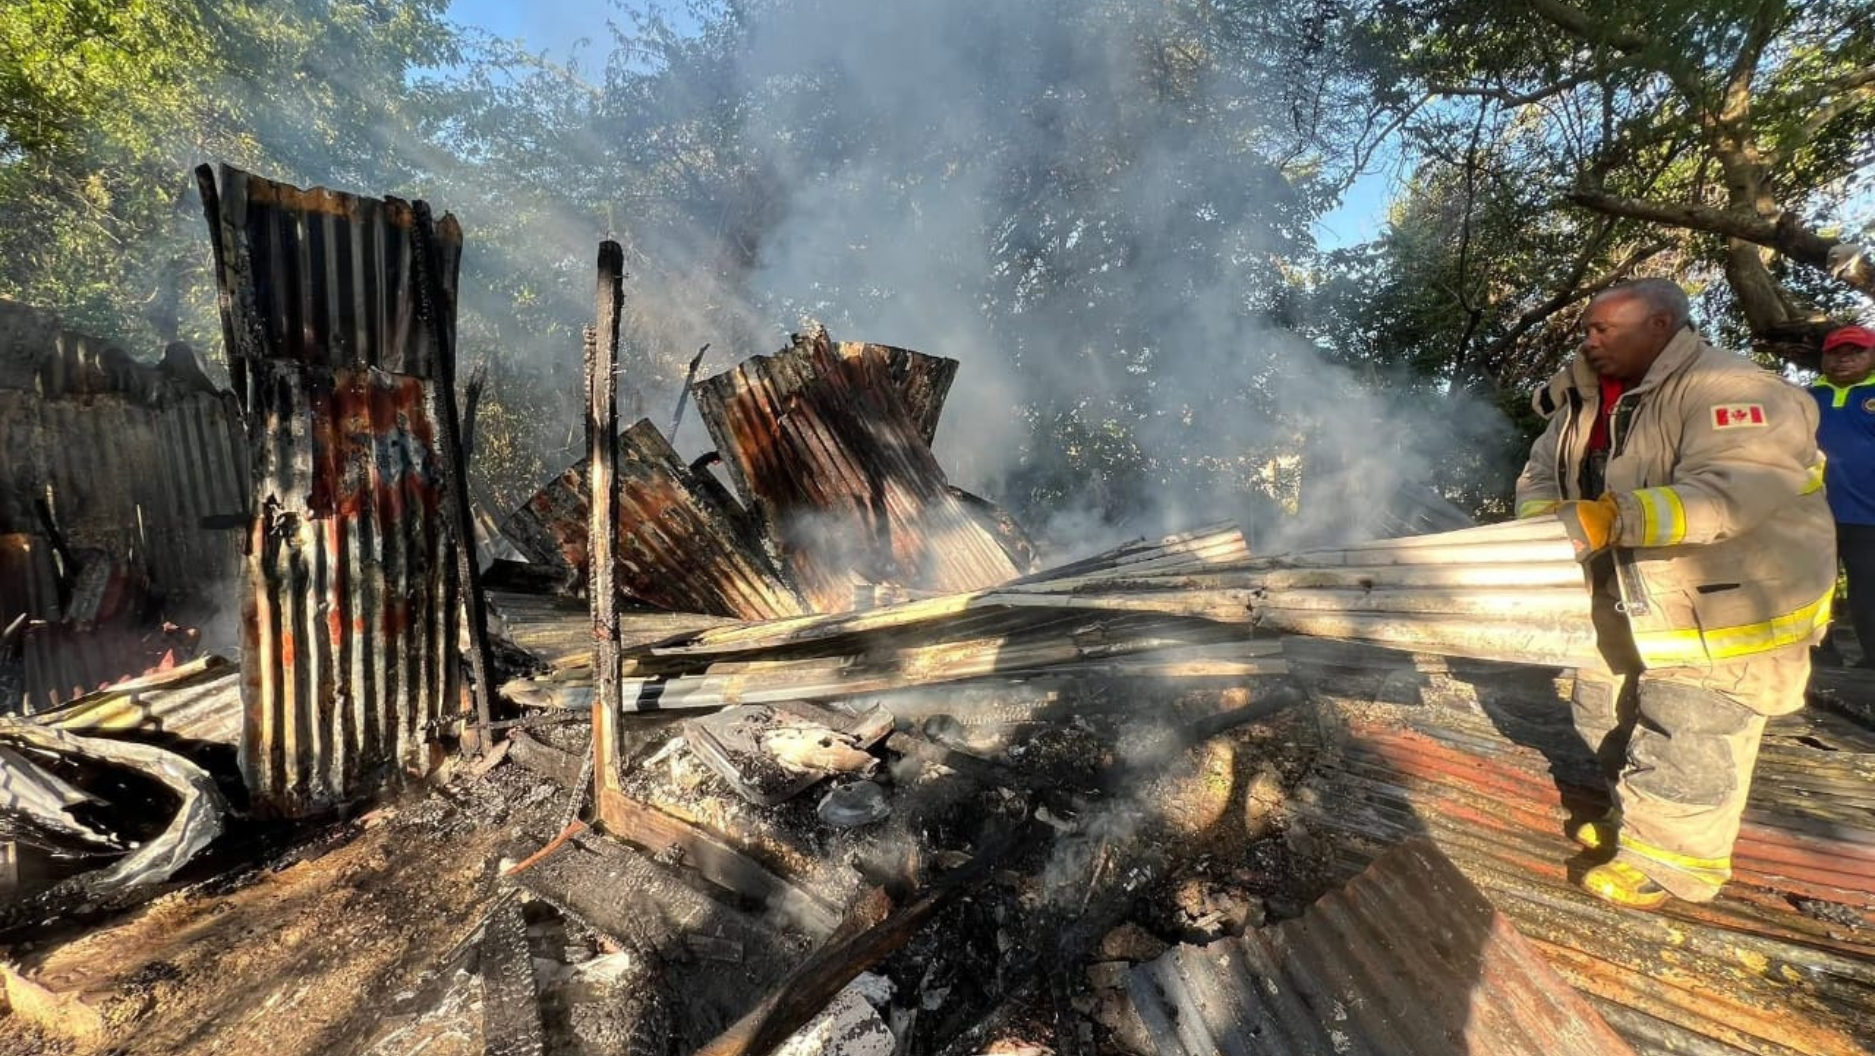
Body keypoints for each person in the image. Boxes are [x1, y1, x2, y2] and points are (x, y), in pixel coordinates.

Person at [1514, 278, 1834, 910]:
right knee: (1603, 704)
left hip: (1726, 597)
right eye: (1587, 329)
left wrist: (1611, 519)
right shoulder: (1579, 401)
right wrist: (1543, 531)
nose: (1590, 339)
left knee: (1690, 720)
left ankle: (1672, 863)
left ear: (1660, 326)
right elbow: (1537, 475)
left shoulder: (1742, 394)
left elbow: (1735, 489)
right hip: (1625, 590)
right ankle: (1634, 817)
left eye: (1606, 329)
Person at [1810, 325, 1875, 665]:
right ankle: (1820, 652)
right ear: (1823, 357)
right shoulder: (1805, 398)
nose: (1844, 359)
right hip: (1813, 514)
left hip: (1869, 517)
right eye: (1835, 353)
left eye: (1855, 352)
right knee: (1815, 587)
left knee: (1869, 590)